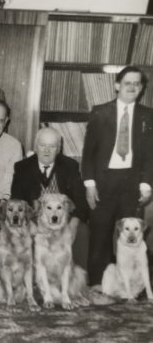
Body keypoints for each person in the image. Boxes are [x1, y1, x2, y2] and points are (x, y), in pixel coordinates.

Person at [81, 66, 153, 287]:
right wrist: (90, 185)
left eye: (137, 84)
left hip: (131, 185)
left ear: (141, 89)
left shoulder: (147, 115)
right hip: (103, 183)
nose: (132, 87)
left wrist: (146, 185)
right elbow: (88, 153)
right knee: (99, 238)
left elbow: (151, 154)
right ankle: (96, 286)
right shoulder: (100, 112)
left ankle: (129, 287)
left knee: (131, 241)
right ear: (117, 85)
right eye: (127, 82)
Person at [11, 127, 89, 267]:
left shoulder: (70, 166)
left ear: (58, 148)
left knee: (83, 231)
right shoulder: (22, 167)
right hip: (34, 220)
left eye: (52, 146)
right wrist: (29, 222)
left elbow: (81, 201)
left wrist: (74, 223)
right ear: (35, 146)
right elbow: (17, 200)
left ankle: (76, 280)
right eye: (42, 145)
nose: (46, 150)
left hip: (62, 219)